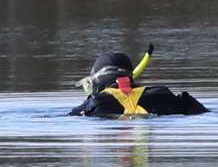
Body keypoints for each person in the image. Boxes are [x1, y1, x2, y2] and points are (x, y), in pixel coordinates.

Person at [69, 47, 208, 117]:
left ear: (97, 81)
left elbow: (69, 118)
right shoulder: (164, 95)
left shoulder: (93, 103)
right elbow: (205, 114)